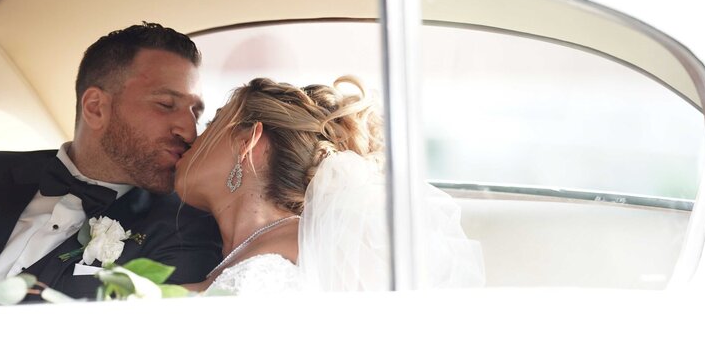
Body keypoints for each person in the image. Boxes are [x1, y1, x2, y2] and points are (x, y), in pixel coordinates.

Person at [0, 22, 222, 302]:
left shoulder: (184, 230)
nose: (189, 132)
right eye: (166, 104)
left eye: (196, 114)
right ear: (95, 107)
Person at [175, 76, 483, 294]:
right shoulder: (263, 245)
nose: (192, 136)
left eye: (212, 123)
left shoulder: (305, 250)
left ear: (247, 143)